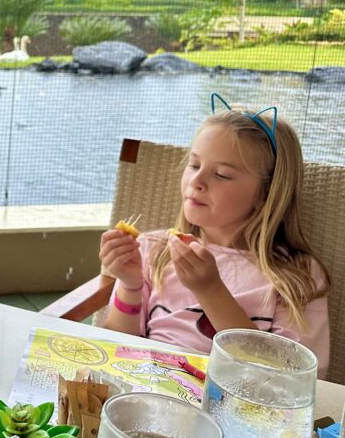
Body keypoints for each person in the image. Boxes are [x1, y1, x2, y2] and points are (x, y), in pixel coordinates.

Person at [100, 98, 331, 378]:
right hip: (146, 392)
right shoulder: (153, 250)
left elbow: (296, 379)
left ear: (265, 194)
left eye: (222, 175)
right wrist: (130, 283)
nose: (197, 181)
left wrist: (211, 291)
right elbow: (117, 347)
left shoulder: (298, 277)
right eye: (194, 165)